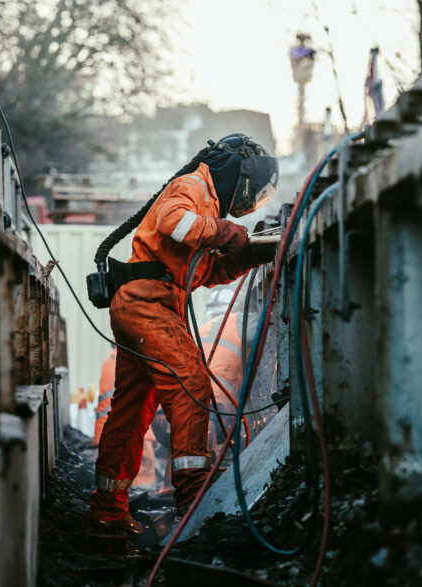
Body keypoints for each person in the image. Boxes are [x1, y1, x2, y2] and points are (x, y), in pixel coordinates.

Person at [90, 134, 278, 534]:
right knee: (191, 384)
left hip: (149, 304)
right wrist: (231, 235)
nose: (242, 206)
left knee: (131, 410)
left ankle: (107, 512)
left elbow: (205, 272)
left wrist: (248, 253)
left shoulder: (207, 202)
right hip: (147, 304)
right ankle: (193, 503)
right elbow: (174, 222)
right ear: (238, 171)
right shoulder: (193, 186)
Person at [95, 347, 159, 488]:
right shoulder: (136, 358)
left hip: (112, 432)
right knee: (140, 481)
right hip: (133, 430)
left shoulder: (113, 359)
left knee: (117, 479)